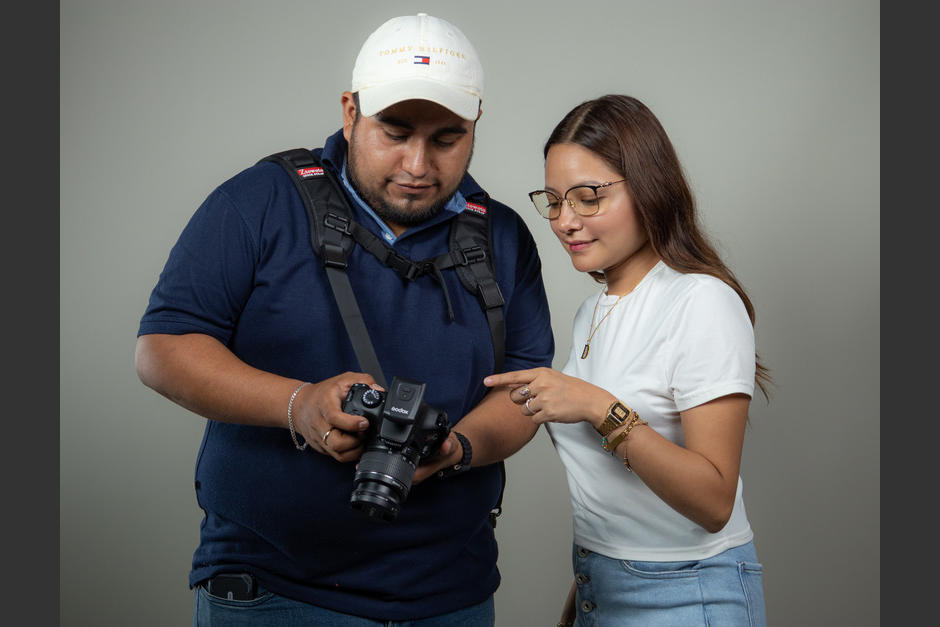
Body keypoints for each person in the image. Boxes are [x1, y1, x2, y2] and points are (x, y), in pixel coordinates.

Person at [134, 13, 554, 626]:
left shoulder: (504, 237)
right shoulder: (259, 201)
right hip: (276, 593)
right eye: (395, 132)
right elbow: (163, 347)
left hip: (453, 595)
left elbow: (526, 387)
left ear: (475, 125)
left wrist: (458, 448)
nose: (417, 165)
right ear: (351, 112)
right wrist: (299, 404)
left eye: (446, 139)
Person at [483, 94, 770, 626]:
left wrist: (599, 407)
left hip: (687, 595)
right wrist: (585, 599)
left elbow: (714, 502)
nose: (565, 221)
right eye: (553, 201)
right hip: (602, 587)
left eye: (587, 197)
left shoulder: (700, 300)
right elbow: (615, 500)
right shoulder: (592, 311)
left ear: (649, 187)